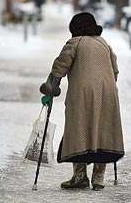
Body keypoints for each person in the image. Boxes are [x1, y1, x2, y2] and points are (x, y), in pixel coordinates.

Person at [40, 12, 124, 191]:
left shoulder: (75, 43)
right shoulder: (105, 44)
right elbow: (114, 71)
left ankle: (80, 176)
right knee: (103, 131)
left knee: (79, 130)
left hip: (82, 95)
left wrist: (51, 88)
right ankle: (99, 176)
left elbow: (59, 68)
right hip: (107, 94)